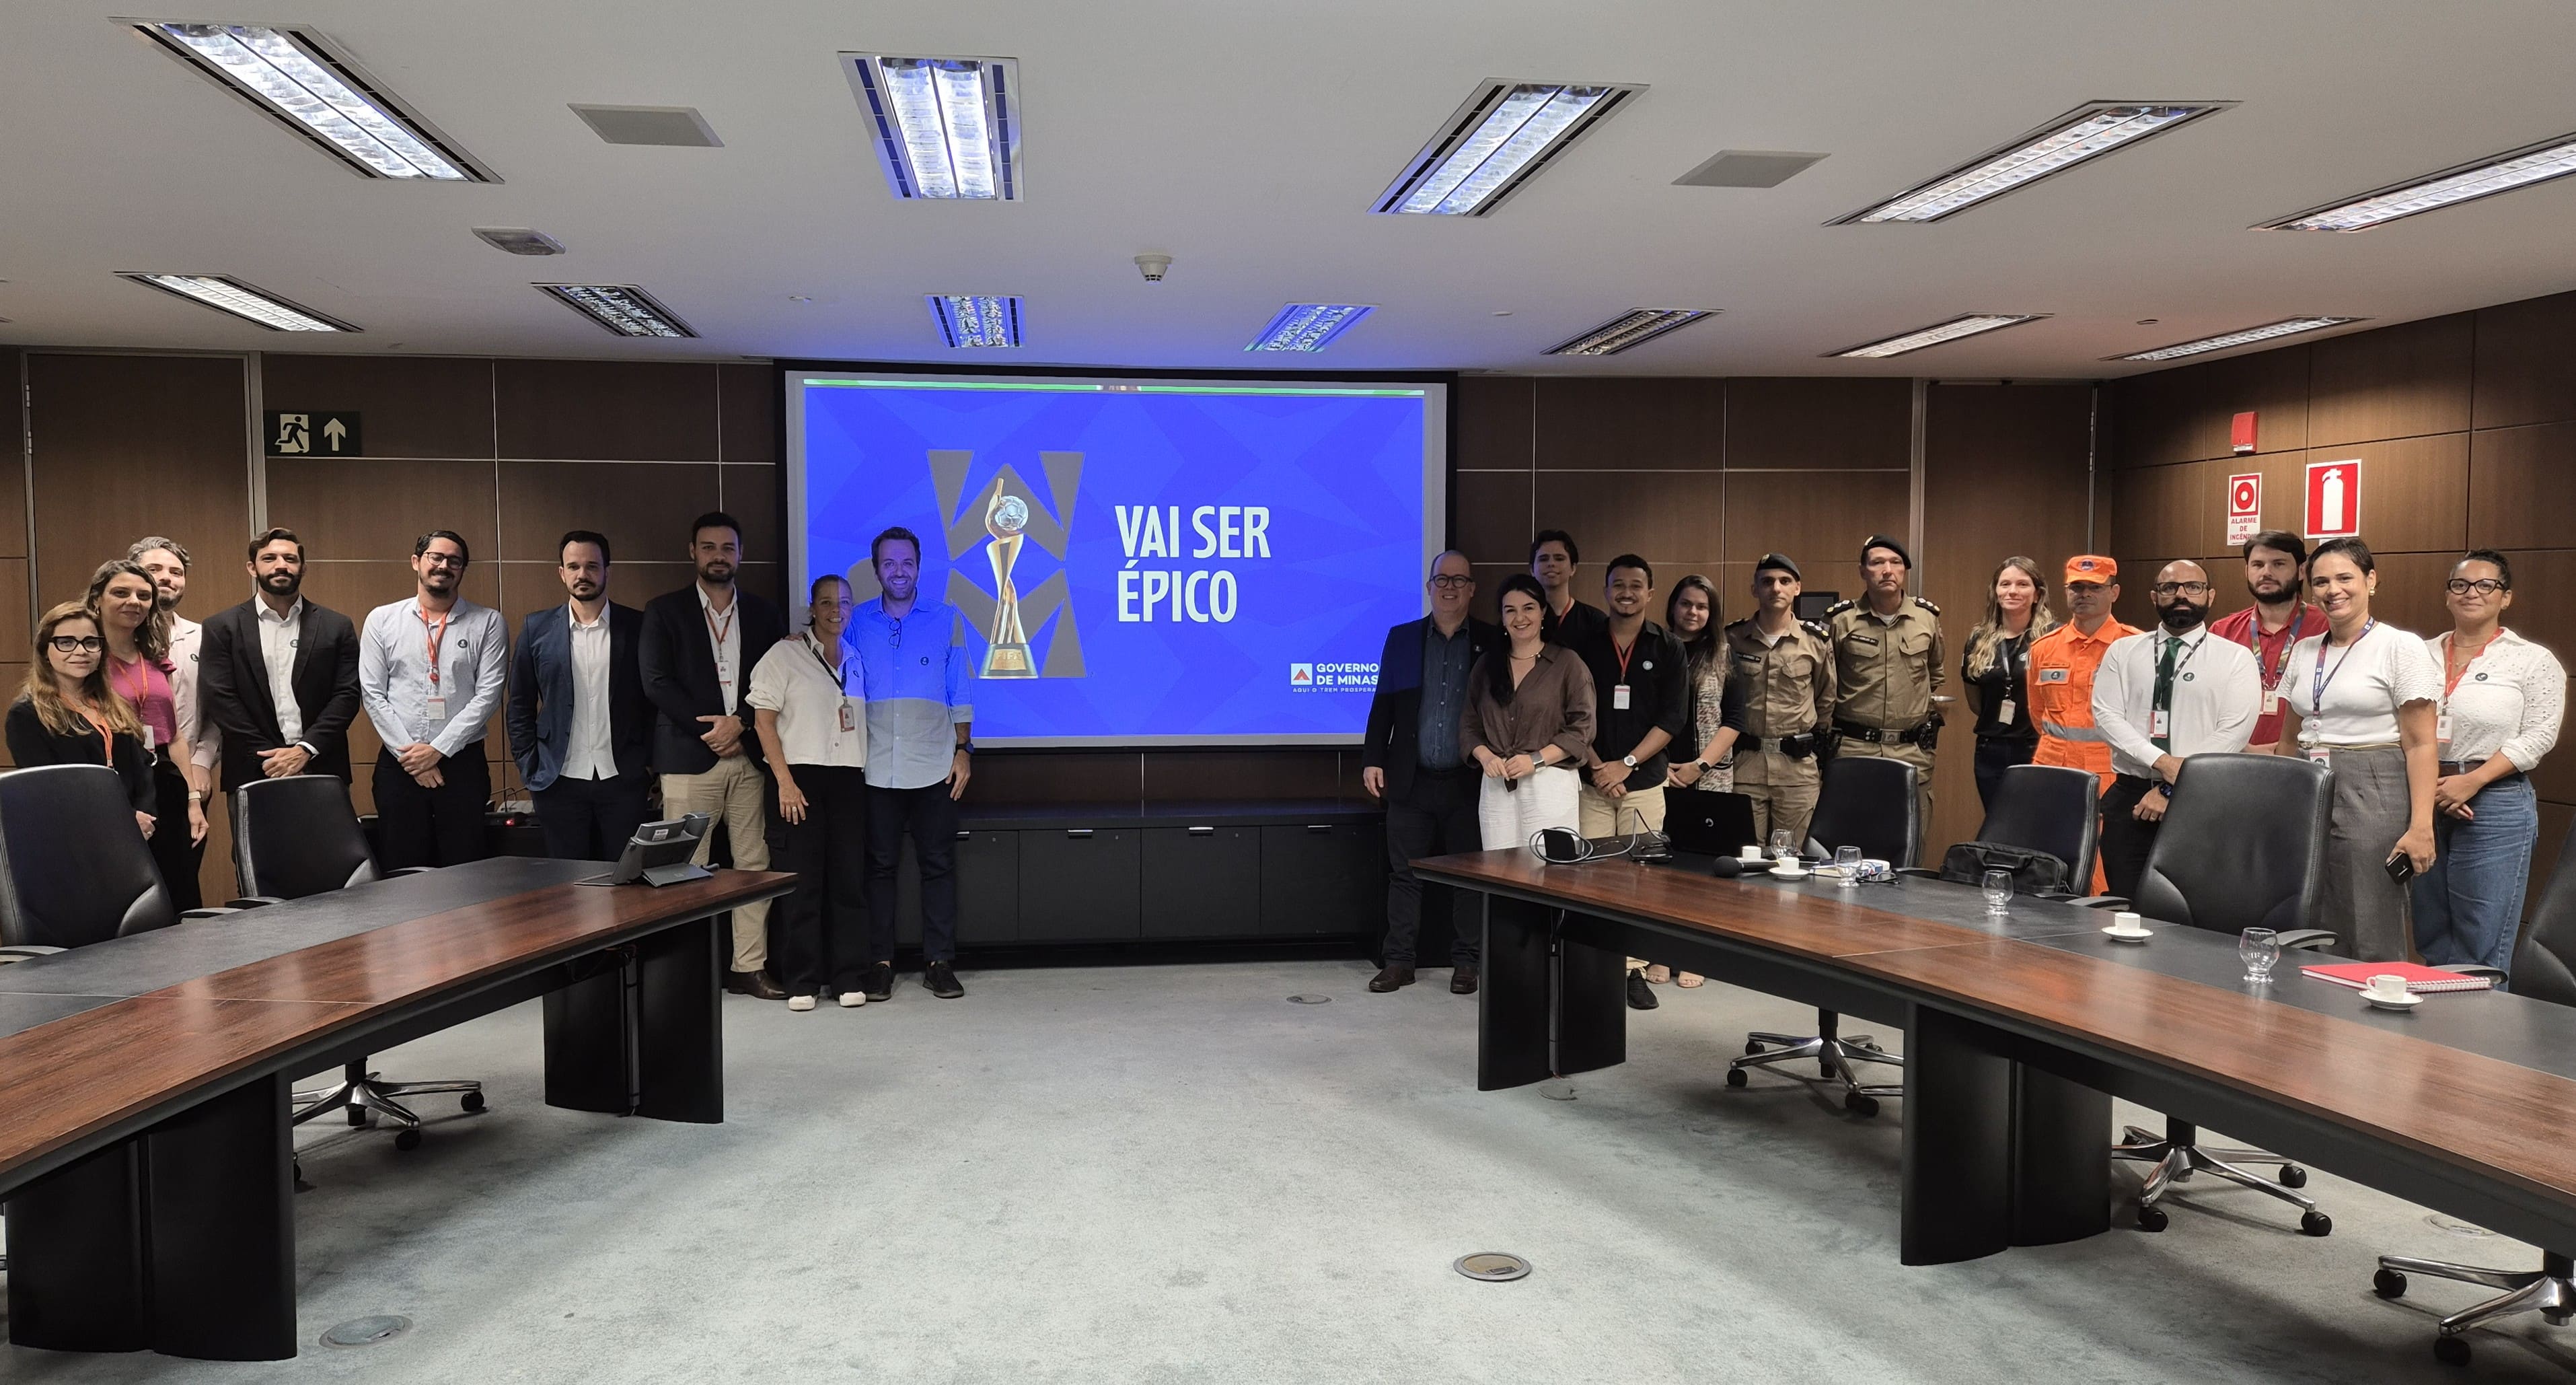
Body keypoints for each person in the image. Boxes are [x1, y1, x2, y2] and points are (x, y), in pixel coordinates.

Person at [640, 511, 789, 1000]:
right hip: (689, 755)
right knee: (682, 868)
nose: (718, 556)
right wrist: (711, 729)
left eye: (727, 547)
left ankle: (748, 967)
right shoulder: (664, 610)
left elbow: (775, 681)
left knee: (752, 863)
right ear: (693, 552)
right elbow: (656, 682)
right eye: (708, 547)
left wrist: (741, 722)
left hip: (749, 755)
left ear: (740, 554)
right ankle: (686, 975)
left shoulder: (766, 614)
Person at [2277, 537, 2442, 963]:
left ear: (2371, 581)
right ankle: (2311, 1015)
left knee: (2368, 915)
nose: (2333, 590)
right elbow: (2291, 737)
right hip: (2305, 783)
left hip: (2372, 783)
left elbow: (2421, 743)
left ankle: (2374, 1020)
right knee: (2306, 909)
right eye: (2321, 581)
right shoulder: (2306, 649)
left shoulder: (2399, 646)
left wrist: (2422, 825)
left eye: (2345, 578)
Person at [2412, 551, 2565, 980]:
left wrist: (2471, 782)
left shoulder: (2531, 660)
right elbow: (2399, 728)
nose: (2471, 593)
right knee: (2431, 930)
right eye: (2460, 585)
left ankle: (2475, 1042)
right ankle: (2435, 1038)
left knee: (2481, 939)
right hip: (2426, 799)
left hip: (2495, 804)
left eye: (2486, 585)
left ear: (2506, 597)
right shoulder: (2417, 655)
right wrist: (2437, 791)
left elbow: (2538, 736)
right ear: (2447, 596)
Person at [1360, 551, 1500, 995]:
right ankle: (1399, 961)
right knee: (1404, 875)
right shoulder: (1401, 639)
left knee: (1467, 876)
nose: (1449, 587)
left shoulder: (1491, 640)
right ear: (1428, 587)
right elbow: (1382, 704)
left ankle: (1467, 964)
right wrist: (1371, 758)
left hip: (1468, 780)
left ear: (1472, 589)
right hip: (1410, 777)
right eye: (1442, 579)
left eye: (1460, 580)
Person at [849, 526, 974, 1003]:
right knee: (878, 869)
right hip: (875, 765)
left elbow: (959, 689)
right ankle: (879, 963)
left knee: (938, 865)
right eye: (889, 563)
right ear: (876, 568)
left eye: (906, 563)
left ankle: (939, 962)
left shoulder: (946, 619)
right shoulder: (857, 621)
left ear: (918, 567)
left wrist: (964, 750)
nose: (898, 571)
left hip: (934, 764)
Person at [2089, 561, 2261, 898]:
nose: (2181, 594)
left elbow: (2233, 733)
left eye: (2193, 587)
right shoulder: (2122, 652)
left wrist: (2173, 788)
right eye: (2170, 588)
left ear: (2210, 596)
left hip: (2204, 801)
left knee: (2192, 912)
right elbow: (2106, 716)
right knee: (2127, 907)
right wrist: (2163, 763)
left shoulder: (2236, 658)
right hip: (2131, 800)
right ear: (2155, 597)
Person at [194, 530, 364, 860]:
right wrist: (274, 758)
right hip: (253, 770)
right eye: (269, 558)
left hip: (321, 766)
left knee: (328, 866)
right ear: (252, 568)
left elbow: (347, 695)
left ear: (303, 567)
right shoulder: (221, 626)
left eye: (290, 559)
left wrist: (304, 751)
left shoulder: (336, 625)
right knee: (260, 870)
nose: (281, 565)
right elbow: (221, 698)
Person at [1568, 555, 1687, 1010]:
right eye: (1618, 584)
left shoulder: (1668, 647)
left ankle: (1634, 971)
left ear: (1650, 594)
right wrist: (1601, 766)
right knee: (1594, 879)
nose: (1627, 592)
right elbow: (1576, 714)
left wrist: (1628, 764)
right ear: (1605, 591)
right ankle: (1597, 969)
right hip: (1593, 781)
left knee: (1641, 880)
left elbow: (1672, 718)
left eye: (1636, 585)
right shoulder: (1584, 644)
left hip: (1645, 782)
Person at [749, 574, 872, 1011]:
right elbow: (763, 722)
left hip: (847, 781)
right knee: (802, 886)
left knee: (848, 884)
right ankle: (802, 979)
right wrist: (784, 781)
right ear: (811, 608)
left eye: (843, 602)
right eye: (825, 602)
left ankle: (847, 977)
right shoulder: (784, 655)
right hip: (797, 779)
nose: (835, 609)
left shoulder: (856, 658)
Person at [359, 530, 509, 871]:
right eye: (435, 558)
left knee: (465, 868)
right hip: (400, 764)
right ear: (417, 563)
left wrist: (438, 750)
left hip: (462, 764)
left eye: (454, 561)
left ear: (463, 569)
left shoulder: (488, 623)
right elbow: (372, 693)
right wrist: (412, 757)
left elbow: (488, 695)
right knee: (402, 867)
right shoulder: (382, 620)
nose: (444, 566)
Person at [507, 530, 653, 861]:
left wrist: (646, 763)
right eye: (573, 567)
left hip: (622, 779)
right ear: (562, 572)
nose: (582, 575)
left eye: (591, 566)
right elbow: (519, 706)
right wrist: (530, 768)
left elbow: (652, 701)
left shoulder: (638, 626)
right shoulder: (536, 628)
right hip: (559, 782)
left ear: (607, 571)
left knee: (624, 884)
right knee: (567, 887)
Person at [88, 559, 209, 907]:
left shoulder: (154, 656)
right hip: (116, 786)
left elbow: (173, 737)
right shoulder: (85, 658)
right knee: (129, 899)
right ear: (97, 598)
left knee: (179, 893)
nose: (134, 602)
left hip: (166, 783)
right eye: (121, 593)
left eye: (144, 595)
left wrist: (193, 801)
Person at [1464, 573, 1594, 861]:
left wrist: (1534, 760)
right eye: (1510, 610)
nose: (1519, 617)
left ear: (1543, 612)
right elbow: (1468, 724)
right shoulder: (1486, 664)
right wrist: (1486, 757)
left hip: (1550, 782)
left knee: (1552, 873)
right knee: (1500, 872)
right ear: (1501, 617)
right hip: (1497, 784)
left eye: (1528, 608)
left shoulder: (1567, 663)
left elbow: (1582, 728)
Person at [1707, 554, 1835, 847]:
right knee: (1744, 854)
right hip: (1744, 766)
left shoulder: (1816, 642)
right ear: (1755, 589)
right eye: (1767, 582)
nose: (1776, 588)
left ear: (1797, 588)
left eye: (1784, 581)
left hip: (1796, 772)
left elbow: (1826, 701)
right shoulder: (1732, 639)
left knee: (1795, 860)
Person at [1826, 535, 1944, 844]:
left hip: (1910, 752)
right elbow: (1826, 682)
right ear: (1863, 571)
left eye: (1895, 563)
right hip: (1853, 748)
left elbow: (1935, 675)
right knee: (1850, 844)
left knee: (1907, 846)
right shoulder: (1841, 621)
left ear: (1905, 570)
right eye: (1877, 563)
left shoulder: (1926, 620)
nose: (1887, 570)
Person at [2029, 555, 2137, 893]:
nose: (2084, 594)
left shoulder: (2134, 647)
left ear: (2114, 592)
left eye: (2094, 587)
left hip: (2110, 775)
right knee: (2048, 861)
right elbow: (2038, 715)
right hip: (2052, 772)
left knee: (2103, 872)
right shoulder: (2044, 648)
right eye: (2077, 587)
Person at [9, 604, 155, 835]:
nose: (81, 651)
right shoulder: (27, 714)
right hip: (75, 838)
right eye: (66, 642)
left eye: (91, 642)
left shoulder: (115, 706)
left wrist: (143, 818)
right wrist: (123, 819)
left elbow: (143, 771)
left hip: (137, 835)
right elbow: (50, 789)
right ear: (45, 651)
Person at [1653, 573, 1730, 989]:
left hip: (1708, 775)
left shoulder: (1723, 653)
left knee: (1702, 871)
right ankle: (1663, 952)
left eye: (1702, 606)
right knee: (1662, 868)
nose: (1693, 612)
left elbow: (1735, 719)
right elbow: (1646, 715)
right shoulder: (1656, 649)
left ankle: (1696, 954)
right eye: (1686, 604)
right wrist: (1660, 764)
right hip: (1658, 772)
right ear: (1672, 607)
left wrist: (1698, 765)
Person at [131, 537, 219, 892]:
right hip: (129, 775)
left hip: (187, 772)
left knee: (182, 878)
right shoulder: (113, 638)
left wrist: (202, 763)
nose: (166, 578)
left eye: (176, 572)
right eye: (154, 569)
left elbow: (217, 710)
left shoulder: (204, 637)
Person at [2209, 532, 2326, 756]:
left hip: (2308, 762)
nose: (2266, 573)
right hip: (2235, 761)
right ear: (2247, 571)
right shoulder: (2222, 632)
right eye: (2258, 565)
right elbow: (2204, 704)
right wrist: (2243, 749)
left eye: (2278, 564)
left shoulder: (2326, 628)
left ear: (2302, 571)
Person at [1960, 557, 2055, 811]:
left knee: (2032, 823)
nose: (2012, 591)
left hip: (2036, 747)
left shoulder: (2053, 638)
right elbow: (1975, 699)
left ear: (2037, 594)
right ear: (1996, 591)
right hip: (1990, 749)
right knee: (1997, 822)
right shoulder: (1978, 639)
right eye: (2005, 584)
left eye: (2022, 584)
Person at [1529, 530, 1608, 648]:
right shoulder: (1523, 619)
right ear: (1532, 570)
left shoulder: (1595, 621)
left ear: (1573, 568)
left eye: (1559, 559)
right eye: (1544, 559)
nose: (1551, 564)